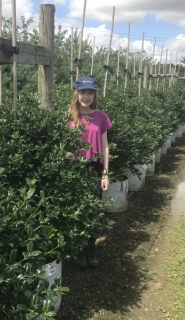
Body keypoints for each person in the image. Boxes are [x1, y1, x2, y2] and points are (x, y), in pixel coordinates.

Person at [68, 76, 112, 268]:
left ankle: (90, 249)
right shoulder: (69, 117)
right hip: (74, 168)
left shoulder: (101, 117)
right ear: (77, 93)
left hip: (94, 167)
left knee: (92, 211)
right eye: (83, 92)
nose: (86, 96)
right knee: (77, 211)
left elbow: (105, 146)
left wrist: (105, 173)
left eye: (90, 92)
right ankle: (78, 251)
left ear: (94, 95)